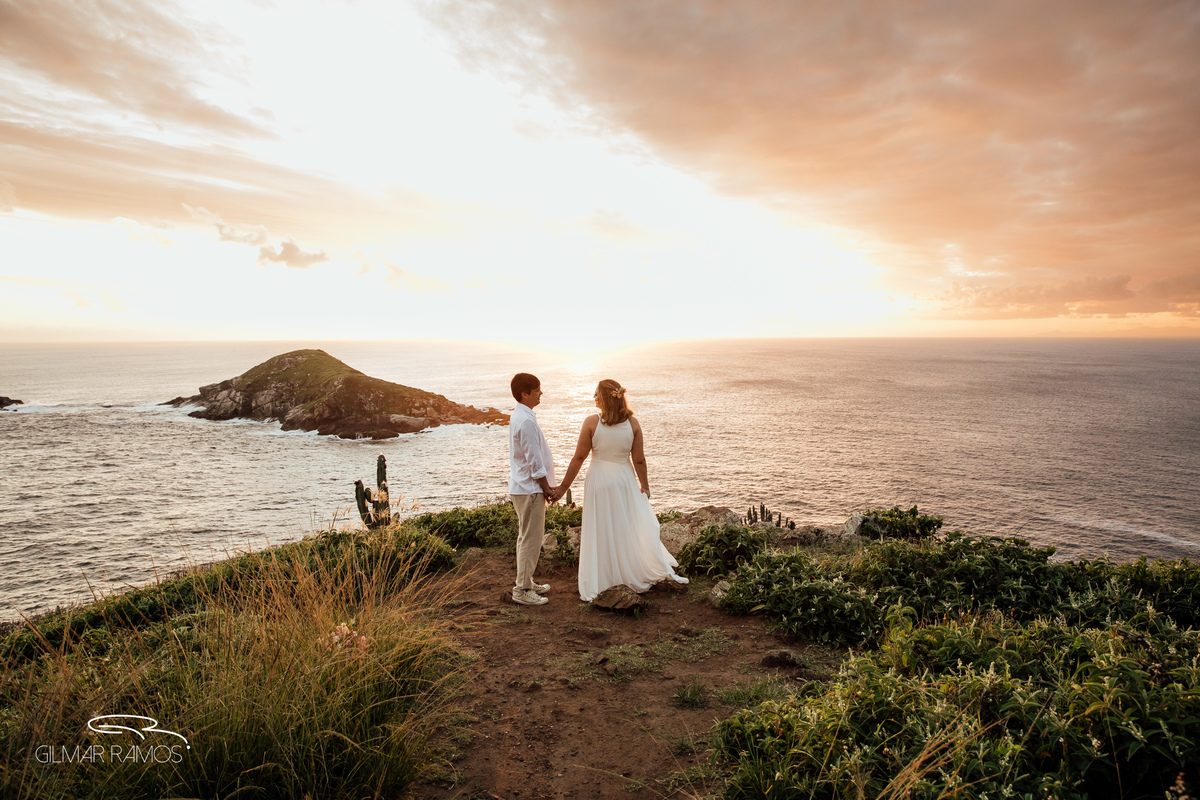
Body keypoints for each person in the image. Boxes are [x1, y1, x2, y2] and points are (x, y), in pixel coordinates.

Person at [550, 379, 687, 602]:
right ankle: (628, 571)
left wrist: (562, 488)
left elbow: (579, 458)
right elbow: (639, 460)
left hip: (599, 480)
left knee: (601, 527)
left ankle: (603, 576)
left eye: (596, 394)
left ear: (604, 398)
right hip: (623, 480)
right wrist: (645, 485)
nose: (593, 398)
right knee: (625, 525)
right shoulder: (633, 424)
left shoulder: (591, 423)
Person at [508, 373, 557, 606]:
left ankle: (526, 580)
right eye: (537, 389)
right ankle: (522, 590)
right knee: (531, 539)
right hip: (529, 489)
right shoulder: (525, 420)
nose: (541, 393)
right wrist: (546, 487)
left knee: (525, 537)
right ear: (524, 393)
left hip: (523, 487)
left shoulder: (521, 415)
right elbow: (534, 461)